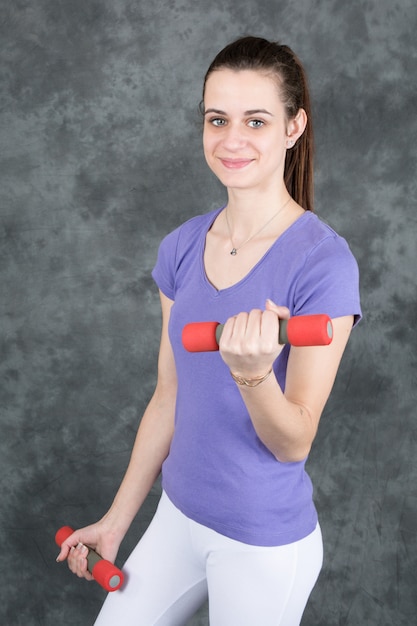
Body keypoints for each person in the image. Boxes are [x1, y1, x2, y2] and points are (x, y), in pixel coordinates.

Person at [56, 36, 361, 625]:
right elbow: (169, 396)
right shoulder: (182, 246)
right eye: (217, 119)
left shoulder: (323, 263)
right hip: (179, 515)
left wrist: (252, 376)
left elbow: (293, 441)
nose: (232, 139)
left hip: (261, 542)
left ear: (293, 128)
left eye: (256, 120)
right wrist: (118, 522)